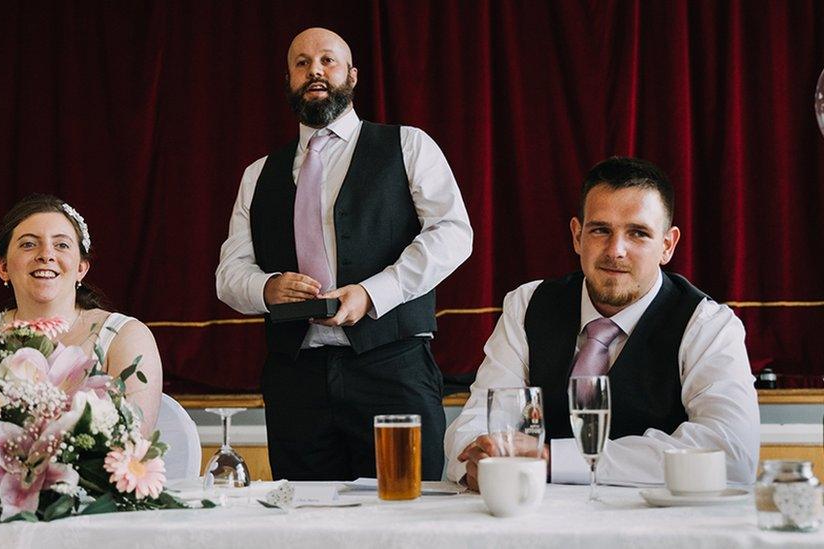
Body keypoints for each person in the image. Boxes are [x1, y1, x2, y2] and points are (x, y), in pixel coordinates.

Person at [216, 27, 473, 480]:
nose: (314, 69)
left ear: (351, 76)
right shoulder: (258, 175)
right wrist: (268, 287)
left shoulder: (408, 145)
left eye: (327, 60)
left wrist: (372, 294)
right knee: (306, 529)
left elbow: (454, 233)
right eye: (301, 63)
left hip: (392, 369)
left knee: (406, 521)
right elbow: (230, 272)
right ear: (289, 80)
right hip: (296, 379)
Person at [445, 156, 759, 491]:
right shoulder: (527, 304)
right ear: (577, 236)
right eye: (600, 230)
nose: (616, 250)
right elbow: (480, 415)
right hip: (536, 523)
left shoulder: (708, 325)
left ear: (667, 245)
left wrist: (552, 459)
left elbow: (730, 453)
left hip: (655, 530)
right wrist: (478, 458)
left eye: (638, 233)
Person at [0, 194, 163, 431]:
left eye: (61, 244)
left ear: (81, 268)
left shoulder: (125, 336)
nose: (46, 254)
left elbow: (135, 440)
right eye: (28, 244)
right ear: (3, 267)